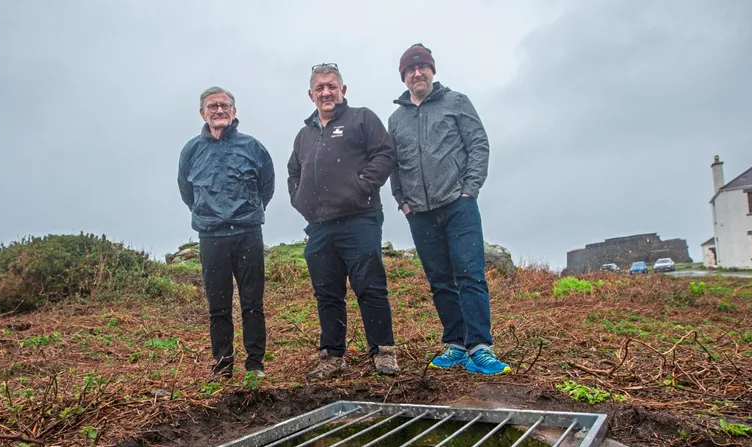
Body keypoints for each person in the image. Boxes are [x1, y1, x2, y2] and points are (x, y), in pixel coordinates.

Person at [388, 44, 510, 375]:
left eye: (422, 67)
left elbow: (478, 144)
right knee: (440, 280)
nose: (417, 73)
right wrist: (403, 201)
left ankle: (480, 347)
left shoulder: (456, 102)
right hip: (420, 213)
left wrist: (470, 190)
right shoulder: (396, 119)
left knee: (470, 275)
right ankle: (455, 344)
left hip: (459, 205)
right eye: (410, 70)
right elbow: (393, 164)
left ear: (432, 70)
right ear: (403, 76)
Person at [287, 63, 400, 378]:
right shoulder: (304, 135)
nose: (326, 92)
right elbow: (293, 172)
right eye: (320, 88)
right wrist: (301, 200)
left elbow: (385, 154)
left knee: (370, 287)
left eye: (331, 86)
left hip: (359, 219)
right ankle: (332, 356)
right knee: (327, 293)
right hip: (320, 227)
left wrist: (360, 187)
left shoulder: (361, 119)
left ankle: (384, 352)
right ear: (311, 95)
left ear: (343, 90)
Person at [178, 86, 274, 380]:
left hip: (247, 233)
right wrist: (208, 214)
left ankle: (255, 365)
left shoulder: (252, 146)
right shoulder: (191, 150)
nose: (219, 111)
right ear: (202, 112)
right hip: (211, 237)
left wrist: (248, 212)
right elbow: (186, 190)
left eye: (224, 106)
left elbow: (266, 186)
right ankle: (223, 365)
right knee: (218, 306)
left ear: (234, 111)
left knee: (252, 303)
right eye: (212, 106)